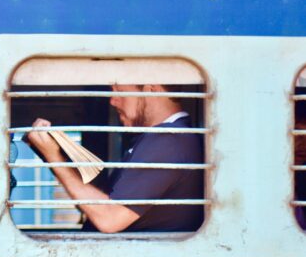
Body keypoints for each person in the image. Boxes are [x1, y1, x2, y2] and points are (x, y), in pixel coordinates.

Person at [26, 83, 203, 233]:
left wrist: (54, 157)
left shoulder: (168, 140)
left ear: (150, 90)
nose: (112, 100)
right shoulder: (164, 139)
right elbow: (95, 207)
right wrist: (52, 153)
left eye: (118, 90)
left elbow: (109, 218)